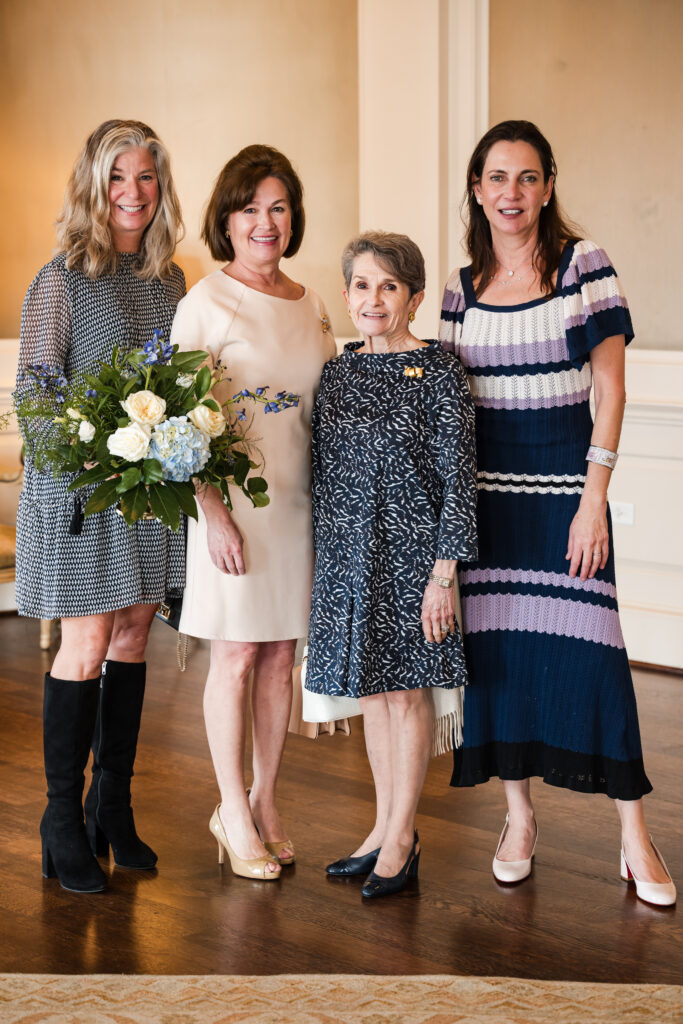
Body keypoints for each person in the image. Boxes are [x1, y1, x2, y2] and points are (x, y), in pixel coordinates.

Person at [439, 119, 676, 906]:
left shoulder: (584, 267)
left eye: (528, 177)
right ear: (476, 188)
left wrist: (592, 502)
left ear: (547, 187)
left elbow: (609, 390)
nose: (512, 193)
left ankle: (632, 835)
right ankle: (517, 820)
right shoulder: (457, 289)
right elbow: (443, 407)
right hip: (486, 511)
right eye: (497, 177)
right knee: (501, 669)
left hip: (566, 505)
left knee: (597, 663)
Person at [15, 120, 186, 893]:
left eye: (146, 177)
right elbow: (34, 391)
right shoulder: (62, 278)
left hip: (147, 488)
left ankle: (109, 803)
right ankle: (59, 817)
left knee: (134, 634)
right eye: (118, 178)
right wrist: (85, 450)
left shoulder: (169, 279)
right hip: (84, 486)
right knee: (85, 641)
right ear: (94, 185)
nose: (132, 193)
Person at [170, 145, 336, 881]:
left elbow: (325, 411)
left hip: (298, 504)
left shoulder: (311, 302)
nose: (264, 223)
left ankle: (266, 800)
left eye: (277, 207)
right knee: (235, 656)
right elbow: (178, 429)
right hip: (233, 507)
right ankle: (230, 807)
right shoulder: (204, 303)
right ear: (227, 220)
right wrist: (215, 515)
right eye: (249, 209)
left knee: (279, 659)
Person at [305, 232, 478, 898]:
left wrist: (444, 575)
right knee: (374, 696)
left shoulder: (439, 370)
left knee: (406, 697)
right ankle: (382, 830)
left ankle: (402, 840)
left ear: (412, 295)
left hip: (412, 565)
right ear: (346, 292)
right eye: (359, 285)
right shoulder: (339, 371)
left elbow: (458, 480)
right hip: (349, 561)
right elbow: (323, 473)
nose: (371, 299)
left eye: (387, 286)